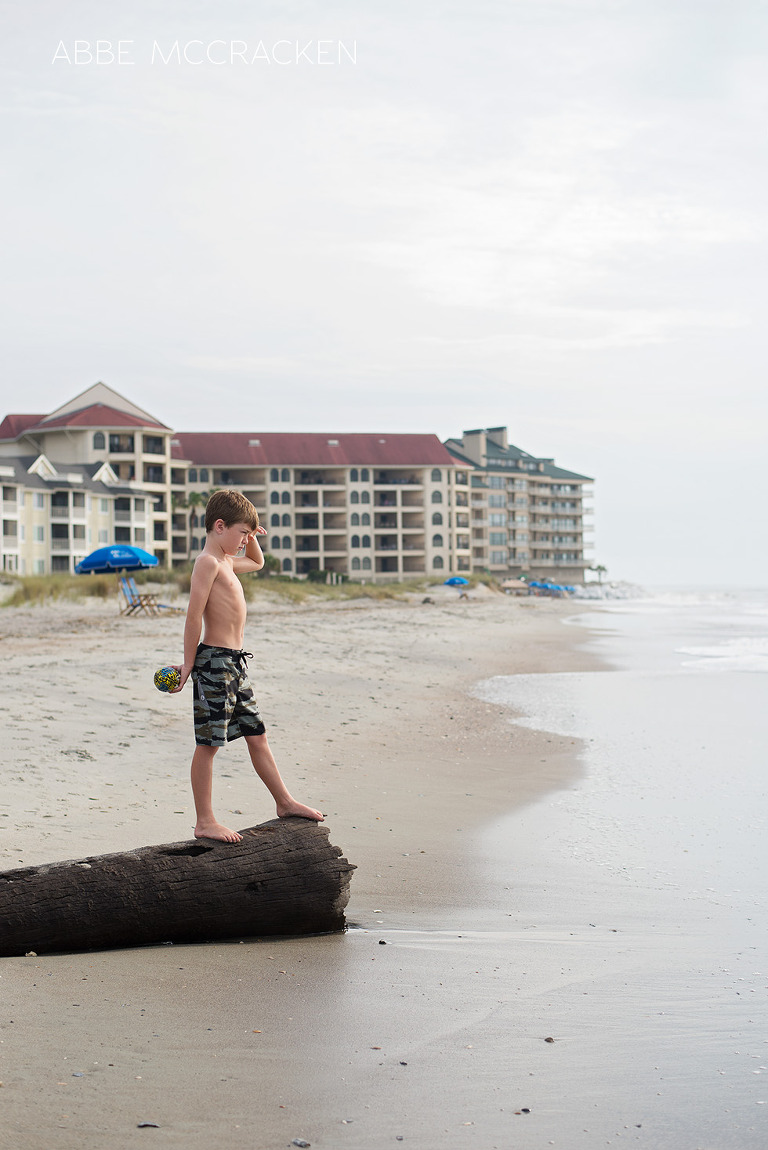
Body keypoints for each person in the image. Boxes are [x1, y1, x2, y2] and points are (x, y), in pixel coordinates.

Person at [172, 489, 323, 842]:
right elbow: (193, 617)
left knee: (257, 735)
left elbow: (258, 563)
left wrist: (253, 535)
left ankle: (284, 801)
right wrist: (188, 665)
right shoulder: (208, 563)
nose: (243, 542)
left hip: (234, 665)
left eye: (247, 535)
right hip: (213, 664)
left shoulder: (226, 560)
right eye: (241, 533)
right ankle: (205, 821)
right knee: (208, 744)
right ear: (219, 526)